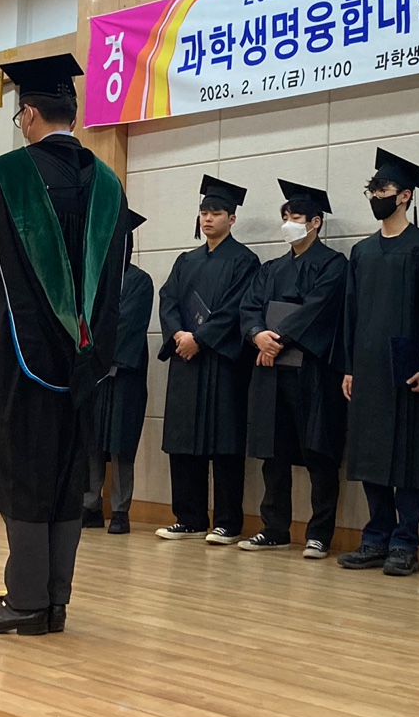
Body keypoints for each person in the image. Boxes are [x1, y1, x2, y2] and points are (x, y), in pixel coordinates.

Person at [0, 53, 128, 635]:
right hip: (83, 360)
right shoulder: (109, 185)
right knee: (66, 475)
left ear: (31, 114)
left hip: (18, 353)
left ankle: (24, 601)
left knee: (23, 474)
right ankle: (54, 601)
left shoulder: (5, 175)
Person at [337, 149, 419, 577]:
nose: (376, 197)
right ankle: (375, 539)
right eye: (372, 190)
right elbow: (351, 313)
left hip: (407, 371)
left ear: (405, 195)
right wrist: (349, 366)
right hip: (368, 369)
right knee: (370, 457)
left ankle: (405, 544)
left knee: (407, 460)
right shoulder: (362, 252)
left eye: (383, 190)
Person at [238, 180, 348, 559]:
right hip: (271, 371)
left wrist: (278, 339)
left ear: (315, 222)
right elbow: (249, 306)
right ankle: (275, 528)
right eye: (285, 216)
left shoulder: (334, 264)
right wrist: (257, 335)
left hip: (312, 372)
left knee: (318, 452)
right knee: (274, 452)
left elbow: (318, 308)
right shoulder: (271, 268)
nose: (289, 223)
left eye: (296, 217)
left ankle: (319, 533)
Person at [155, 175, 260, 545]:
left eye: (216, 213)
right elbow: (168, 300)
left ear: (232, 218)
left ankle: (228, 522)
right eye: (204, 212)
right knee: (183, 440)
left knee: (224, 441)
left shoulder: (245, 261)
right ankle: (189, 518)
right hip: (187, 362)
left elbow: (237, 308)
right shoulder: (186, 260)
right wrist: (178, 335)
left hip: (222, 363)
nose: (208, 218)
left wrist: (200, 338)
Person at [84, 210, 154, 535]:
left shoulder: (140, 280)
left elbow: (127, 323)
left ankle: (121, 510)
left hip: (124, 374)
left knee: (121, 444)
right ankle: (90, 505)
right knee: (92, 442)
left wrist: (99, 353)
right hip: (94, 375)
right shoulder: (93, 279)